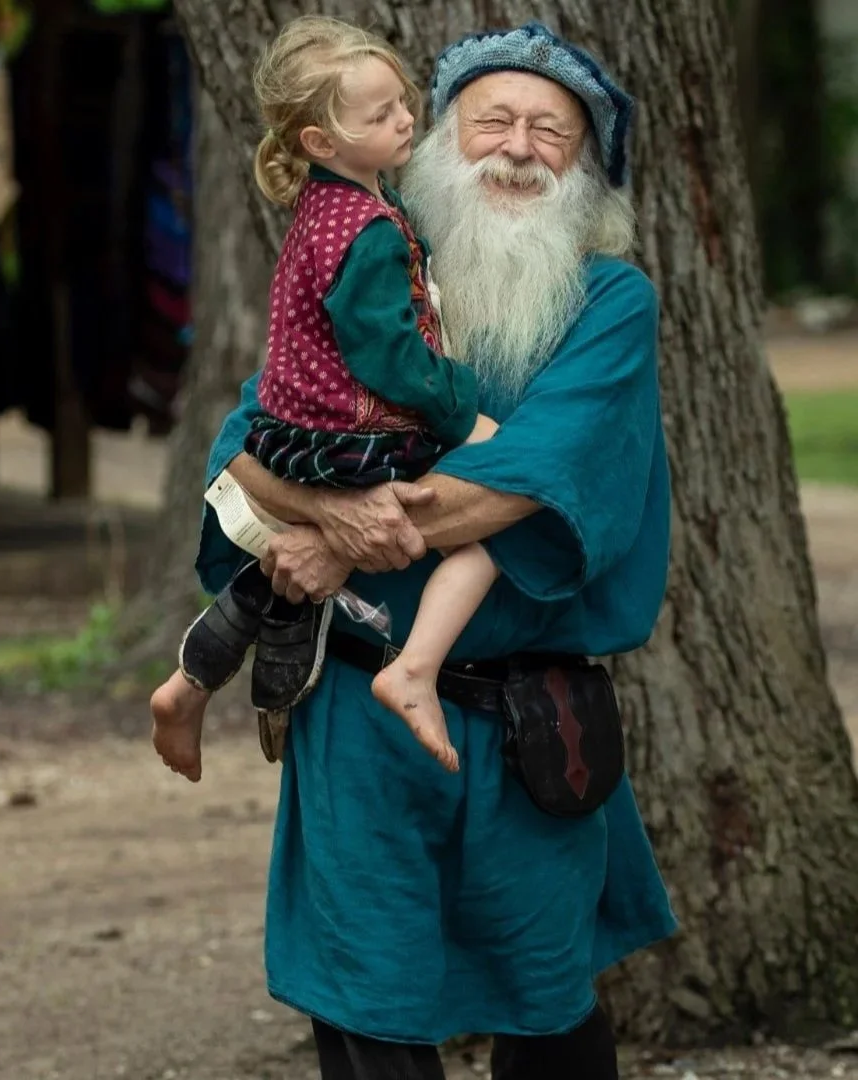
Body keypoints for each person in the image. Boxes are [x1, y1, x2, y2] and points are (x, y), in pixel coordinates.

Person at [193, 21, 678, 1080]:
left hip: (527, 719)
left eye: (551, 130)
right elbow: (238, 456)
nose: (516, 146)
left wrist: (330, 528)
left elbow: (524, 481)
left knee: (546, 994)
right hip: (356, 714)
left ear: (588, 168)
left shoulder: (611, 305)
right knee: (365, 988)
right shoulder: (365, 274)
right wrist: (328, 518)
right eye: (491, 119)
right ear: (436, 146)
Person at [151, 16, 503, 782]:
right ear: (320, 141)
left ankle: (190, 683)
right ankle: (415, 670)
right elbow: (393, 359)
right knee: (498, 490)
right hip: (354, 437)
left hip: (292, 428)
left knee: (284, 570)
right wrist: (458, 402)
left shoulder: (322, 206)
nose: (406, 119)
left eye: (404, 102)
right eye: (380, 115)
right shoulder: (370, 230)